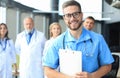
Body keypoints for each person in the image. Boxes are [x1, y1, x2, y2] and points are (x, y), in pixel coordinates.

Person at [42, 0, 114, 78]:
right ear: (64, 18)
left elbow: (107, 66)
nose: (72, 18)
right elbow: (47, 70)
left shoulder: (98, 39)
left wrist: (92, 76)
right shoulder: (57, 42)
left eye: (75, 14)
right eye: (68, 15)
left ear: (81, 15)